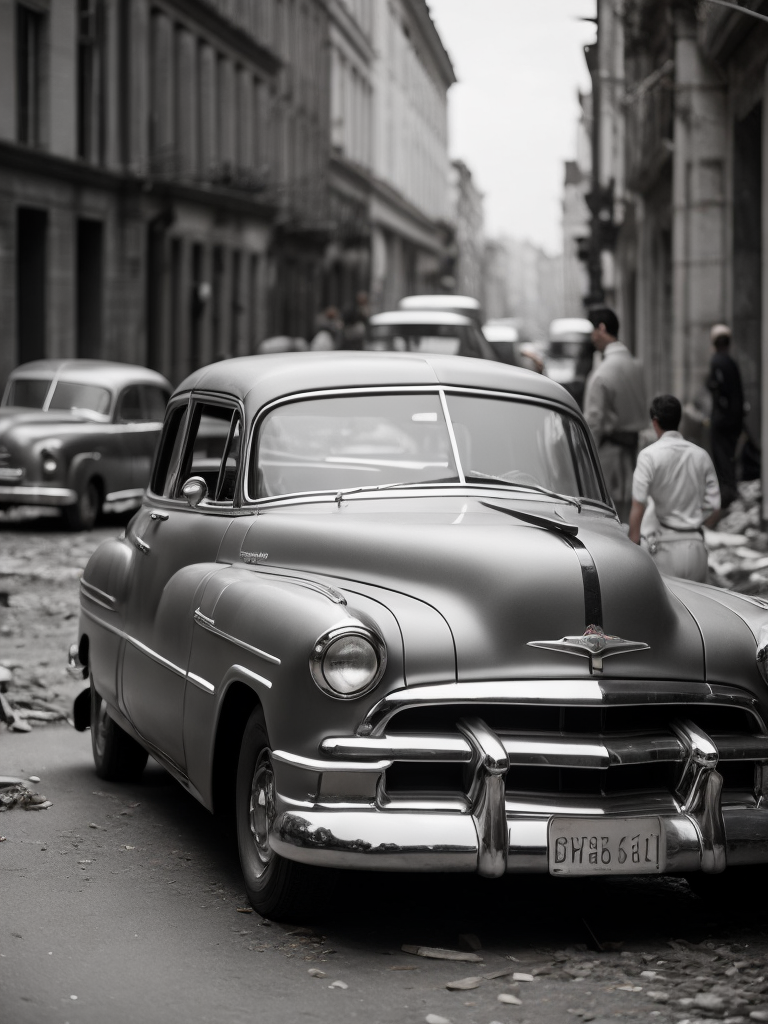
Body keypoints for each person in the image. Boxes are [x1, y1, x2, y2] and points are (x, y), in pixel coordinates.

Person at [629, 394, 720, 582]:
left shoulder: (648, 456)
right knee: (698, 610)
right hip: (696, 549)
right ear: (679, 420)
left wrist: (632, 548)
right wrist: (694, 523)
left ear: (655, 422)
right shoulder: (701, 455)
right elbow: (714, 507)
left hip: (664, 549)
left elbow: (639, 505)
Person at [583, 307, 648, 521]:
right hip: (636, 455)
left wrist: (584, 461)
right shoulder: (637, 366)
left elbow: (593, 423)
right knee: (631, 516)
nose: (592, 338)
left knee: (609, 521)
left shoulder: (602, 373)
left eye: (593, 331)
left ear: (601, 329)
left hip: (609, 459)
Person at [707, 323, 744, 509]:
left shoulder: (717, 362)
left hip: (722, 422)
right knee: (729, 459)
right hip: (734, 422)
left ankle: (727, 498)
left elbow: (717, 391)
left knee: (722, 461)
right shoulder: (731, 362)